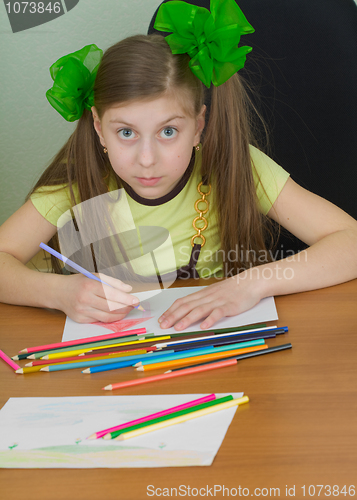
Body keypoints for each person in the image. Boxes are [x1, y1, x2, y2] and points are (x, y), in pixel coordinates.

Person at [0, 0, 356, 330]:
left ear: (198, 126)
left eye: (168, 131)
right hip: (110, 359)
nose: (146, 158)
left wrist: (252, 282)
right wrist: (57, 293)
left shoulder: (236, 165)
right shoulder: (79, 176)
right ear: (98, 128)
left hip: (208, 349)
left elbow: (350, 242)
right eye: (126, 132)